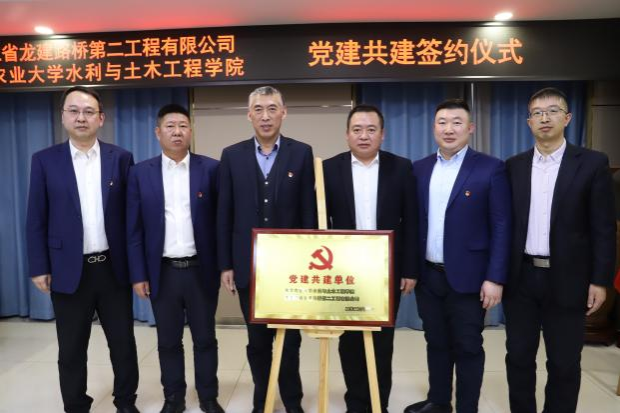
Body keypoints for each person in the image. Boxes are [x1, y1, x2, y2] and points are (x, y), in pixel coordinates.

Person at [26, 86, 139, 413]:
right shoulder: (45, 160)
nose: (81, 117)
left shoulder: (121, 158)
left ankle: (126, 402)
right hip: (67, 268)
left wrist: (137, 268)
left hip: (113, 268)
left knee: (123, 343)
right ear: (63, 116)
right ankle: (76, 405)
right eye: (73, 110)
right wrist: (39, 266)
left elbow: (132, 218)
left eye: (89, 111)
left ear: (101, 118)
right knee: (72, 347)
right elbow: (36, 217)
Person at [504, 87, 616, 413]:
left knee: (564, 362)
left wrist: (600, 281)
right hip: (521, 278)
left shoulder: (592, 164)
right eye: (537, 113)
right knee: (518, 357)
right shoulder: (513, 166)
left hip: (568, 279)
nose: (545, 118)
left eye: (553, 111)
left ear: (567, 118)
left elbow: (603, 228)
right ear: (529, 122)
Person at [405, 98, 511, 413]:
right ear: (434, 127)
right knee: (435, 342)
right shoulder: (420, 168)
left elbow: (502, 225)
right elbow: (413, 223)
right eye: (442, 122)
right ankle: (439, 402)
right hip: (428, 276)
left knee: (467, 347)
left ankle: (467, 408)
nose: (448, 129)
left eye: (456, 122)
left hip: (470, 278)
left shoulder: (490, 167)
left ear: (470, 128)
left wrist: (495, 277)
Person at [216, 86, 317, 413]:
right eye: (258, 109)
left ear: (283, 113)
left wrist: (309, 262)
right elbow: (224, 213)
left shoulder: (301, 153)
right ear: (249, 115)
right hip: (248, 266)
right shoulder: (232, 155)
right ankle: (263, 399)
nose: (265, 116)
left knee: (290, 341)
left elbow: (308, 214)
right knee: (258, 341)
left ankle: (293, 401)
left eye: (272, 108)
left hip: (290, 269)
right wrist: (226, 264)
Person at [126, 104, 224, 413]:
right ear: (158, 132)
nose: (177, 132)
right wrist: (138, 274)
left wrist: (225, 266)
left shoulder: (211, 169)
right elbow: (134, 229)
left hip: (201, 271)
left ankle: (208, 397)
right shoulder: (140, 173)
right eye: (170, 126)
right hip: (162, 272)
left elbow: (222, 222)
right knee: (168, 341)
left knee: (205, 338)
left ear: (191, 131)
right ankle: (174, 398)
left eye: (183, 125)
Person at [323, 104, 418, 413]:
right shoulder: (329, 169)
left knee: (382, 341)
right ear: (347, 134)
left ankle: (379, 403)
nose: (364, 136)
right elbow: (321, 223)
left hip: (386, 269)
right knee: (349, 341)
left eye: (371, 129)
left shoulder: (401, 168)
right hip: (345, 272)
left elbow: (412, 221)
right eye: (357, 130)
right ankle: (356, 402)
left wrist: (409, 269)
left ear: (382, 134)